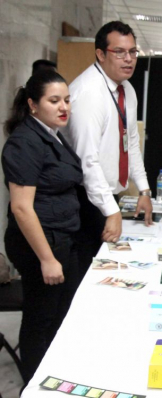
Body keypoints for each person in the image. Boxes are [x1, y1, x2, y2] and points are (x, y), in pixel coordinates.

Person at [2, 70, 82, 383]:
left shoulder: (50, 133)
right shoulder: (25, 143)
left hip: (61, 236)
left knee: (60, 312)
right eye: (54, 100)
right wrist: (47, 258)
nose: (64, 107)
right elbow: (21, 207)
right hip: (40, 244)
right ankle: (35, 383)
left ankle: (54, 373)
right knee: (41, 317)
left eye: (66, 100)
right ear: (33, 104)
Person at [65, 21, 153, 280]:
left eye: (133, 52)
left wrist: (144, 189)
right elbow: (87, 161)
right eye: (119, 52)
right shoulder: (89, 93)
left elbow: (132, 142)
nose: (129, 59)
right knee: (89, 274)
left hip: (106, 197)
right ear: (101, 54)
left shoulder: (127, 89)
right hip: (84, 199)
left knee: (107, 269)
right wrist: (111, 211)